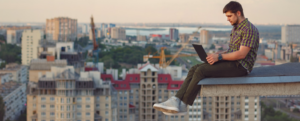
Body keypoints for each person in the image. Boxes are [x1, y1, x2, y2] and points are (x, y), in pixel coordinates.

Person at [153, 1, 260, 115]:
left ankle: (183, 105)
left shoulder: (249, 29)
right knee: (194, 68)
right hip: (232, 63)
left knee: (201, 70)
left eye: (229, 16)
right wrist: (217, 55)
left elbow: (241, 54)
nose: (228, 19)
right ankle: (176, 100)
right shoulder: (236, 28)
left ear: (238, 13)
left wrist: (219, 57)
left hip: (241, 67)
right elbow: (233, 51)